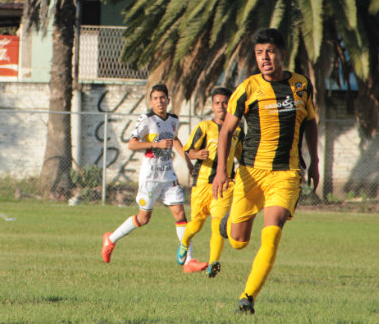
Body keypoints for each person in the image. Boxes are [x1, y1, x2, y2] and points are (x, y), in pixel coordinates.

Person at [212, 28, 319, 315]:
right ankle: (227, 225)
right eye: (259, 53)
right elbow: (226, 132)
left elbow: (310, 121)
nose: (265, 58)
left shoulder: (301, 85)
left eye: (270, 51)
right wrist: (222, 171)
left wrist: (316, 161)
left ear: (282, 54)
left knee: (271, 234)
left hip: (286, 175)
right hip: (250, 173)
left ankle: (247, 299)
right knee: (238, 242)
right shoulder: (248, 88)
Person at [101, 83, 206, 272]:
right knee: (143, 218)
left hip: (168, 174)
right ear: (151, 101)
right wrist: (155, 145)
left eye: (162, 98)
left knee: (180, 214)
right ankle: (111, 239)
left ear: (168, 99)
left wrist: (188, 162)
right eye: (156, 98)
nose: (159, 101)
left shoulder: (173, 119)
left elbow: (174, 140)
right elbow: (132, 144)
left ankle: (189, 260)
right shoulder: (146, 120)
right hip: (150, 175)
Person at [176, 86, 244, 277]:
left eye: (225, 103)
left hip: (224, 185)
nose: (221, 106)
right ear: (212, 107)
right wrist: (197, 154)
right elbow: (188, 151)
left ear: (230, 105)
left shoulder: (238, 129)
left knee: (217, 225)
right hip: (202, 185)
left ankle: (213, 262)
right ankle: (184, 243)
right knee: (196, 224)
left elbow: (242, 155)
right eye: (217, 103)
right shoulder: (204, 127)